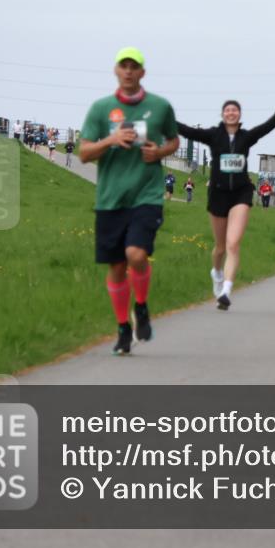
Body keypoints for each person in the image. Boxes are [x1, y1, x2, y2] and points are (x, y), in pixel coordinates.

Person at [78, 46, 179, 355]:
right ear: (116, 71)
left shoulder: (160, 107)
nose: (129, 71)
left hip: (146, 195)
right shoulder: (100, 109)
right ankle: (123, 326)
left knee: (136, 254)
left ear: (142, 72)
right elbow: (83, 153)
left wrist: (159, 152)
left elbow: (174, 140)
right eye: (124, 66)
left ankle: (143, 306)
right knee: (117, 266)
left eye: (134, 66)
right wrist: (110, 140)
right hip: (110, 198)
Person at [176, 89, 275, 310]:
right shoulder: (213, 135)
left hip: (240, 193)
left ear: (239, 114)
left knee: (233, 244)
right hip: (217, 194)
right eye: (227, 110)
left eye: (234, 110)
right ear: (222, 114)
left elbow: (271, 124)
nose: (231, 113)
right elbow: (187, 132)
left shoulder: (246, 137)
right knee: (219, 248)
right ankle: (217, 272)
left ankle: (226, 290)